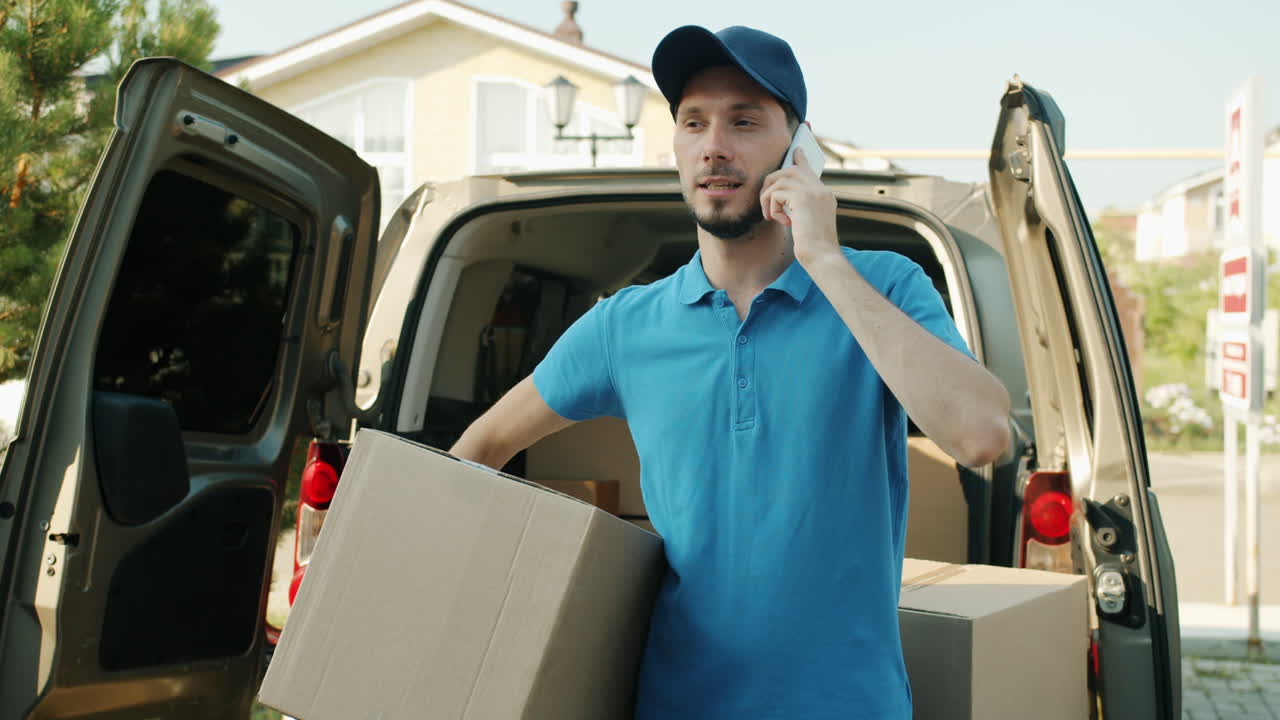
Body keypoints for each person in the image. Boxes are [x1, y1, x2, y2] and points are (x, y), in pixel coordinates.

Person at [450, 24, 1012, 719]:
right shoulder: (625, 326)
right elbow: (478, 451)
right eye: (694, 122)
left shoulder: (884, 287)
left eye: (744, 120)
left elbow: (983, 433)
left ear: (800, 150)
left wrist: (826, 262)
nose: (714, 143)